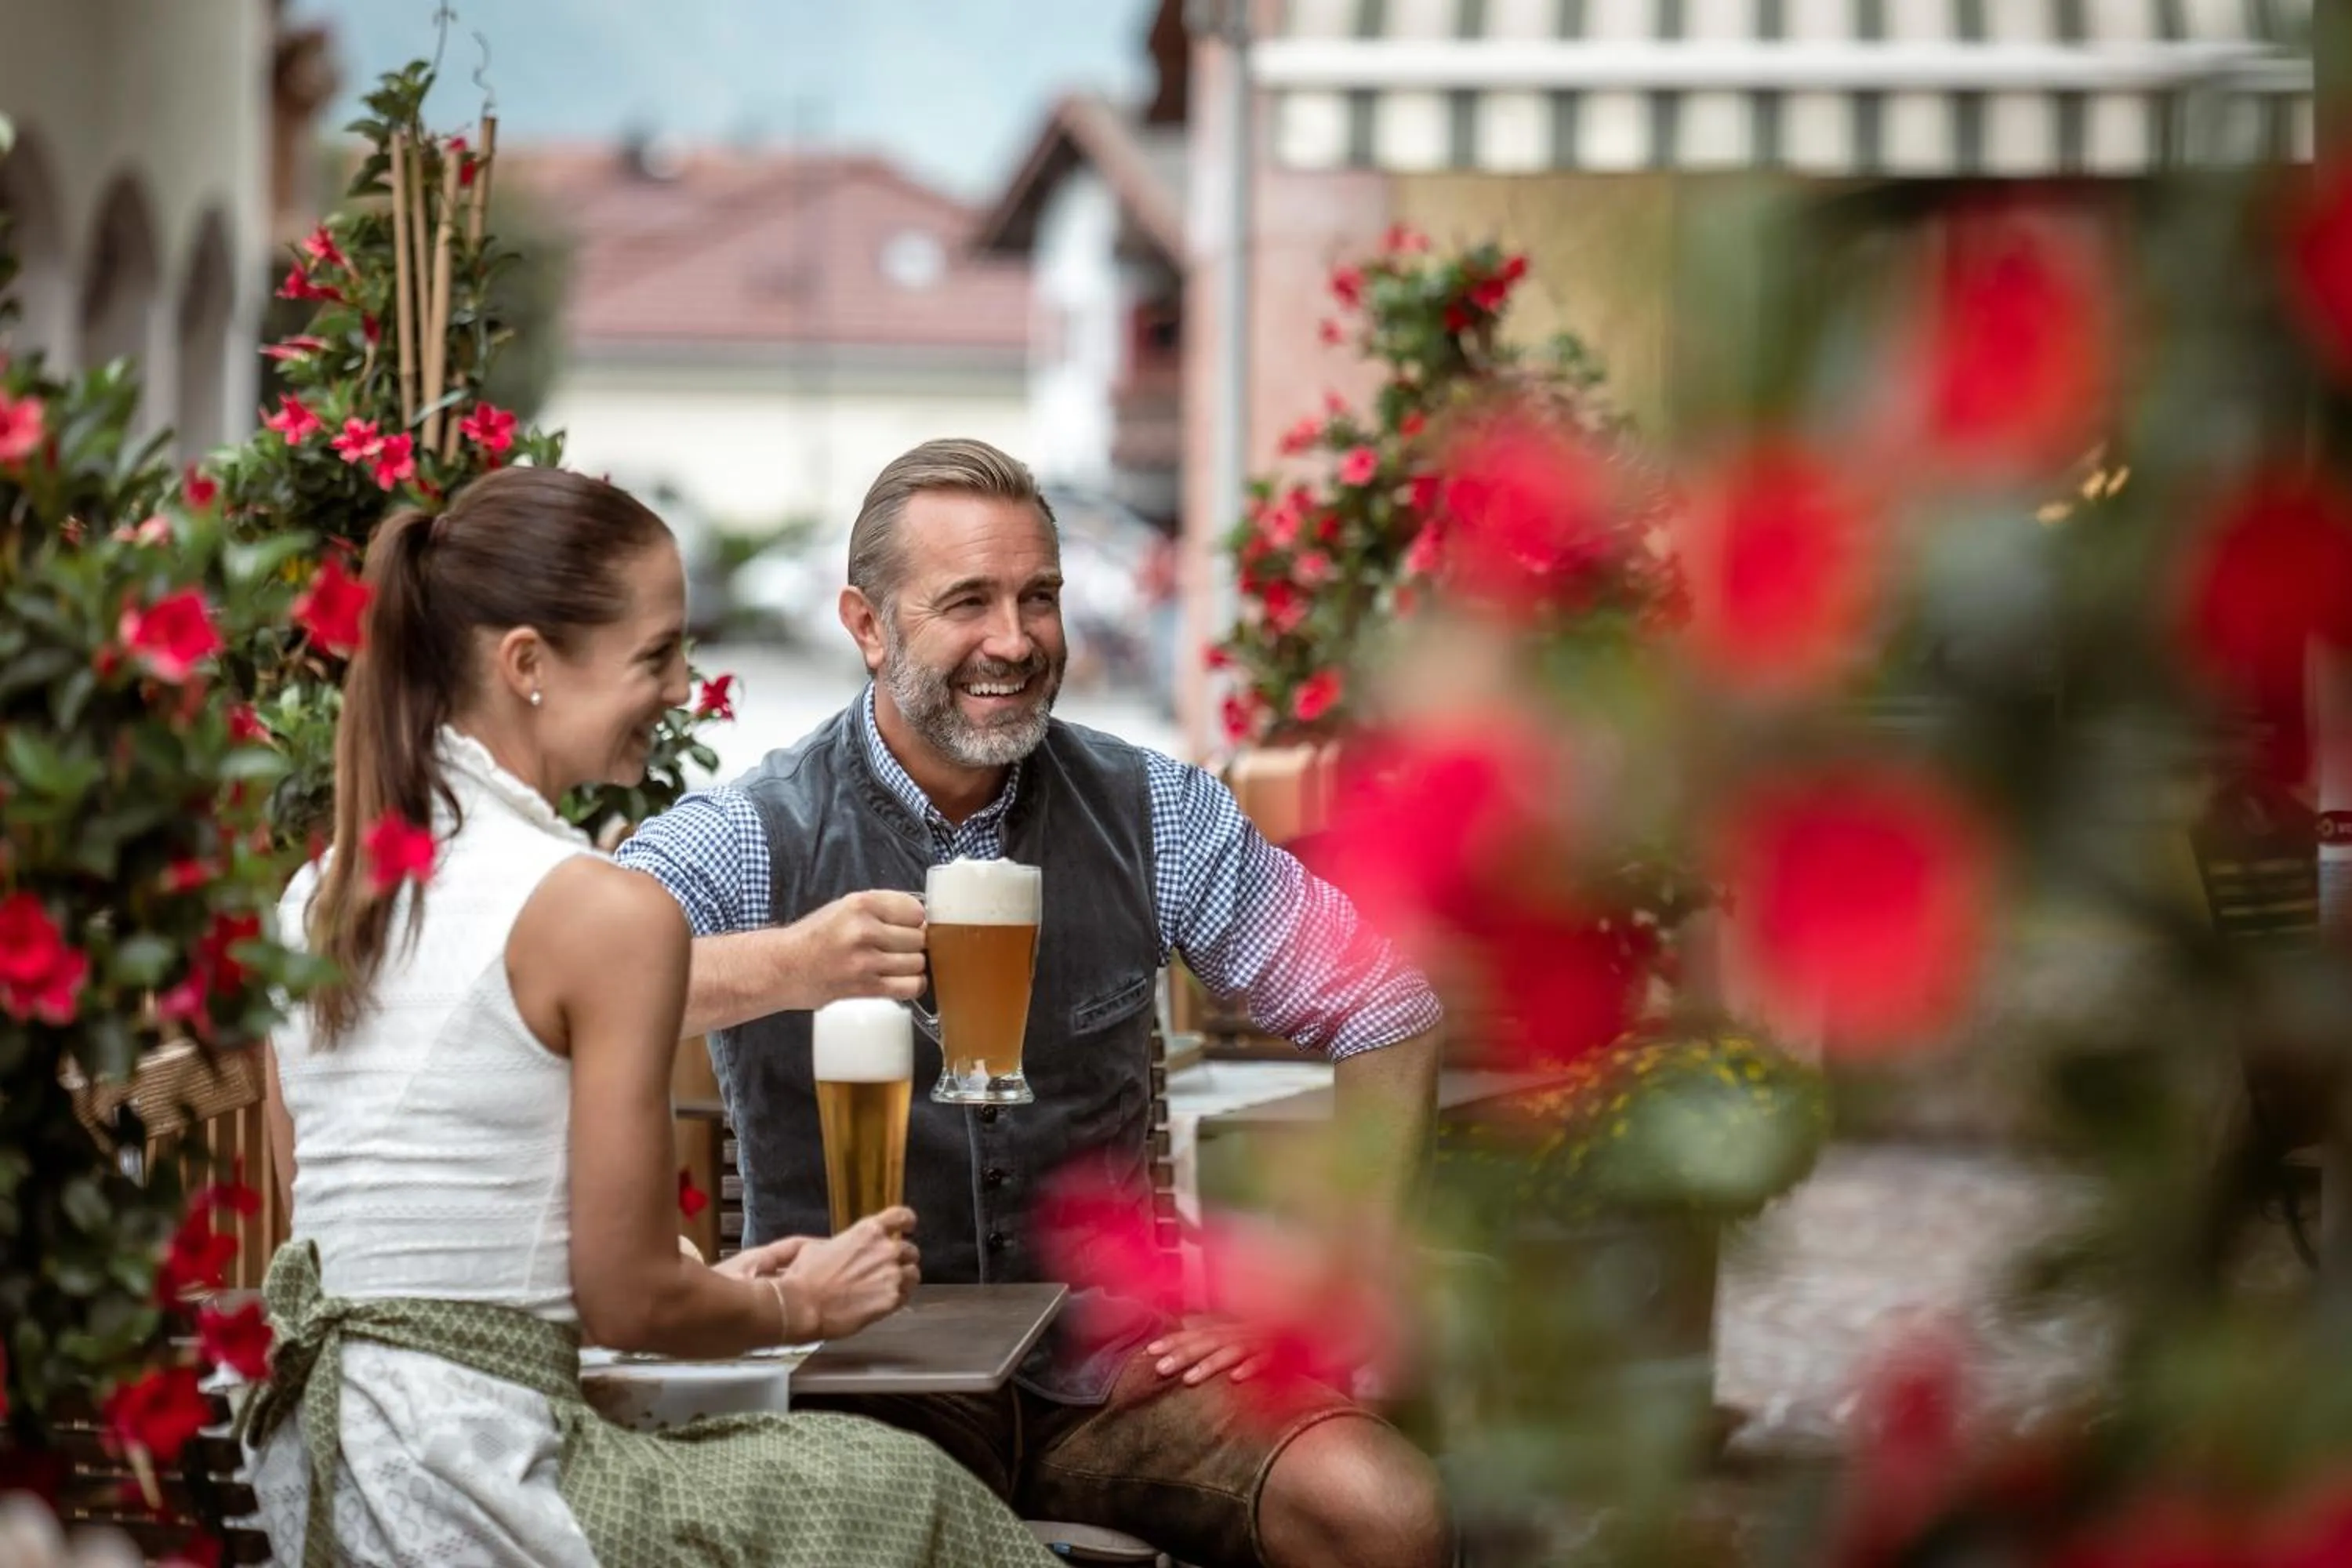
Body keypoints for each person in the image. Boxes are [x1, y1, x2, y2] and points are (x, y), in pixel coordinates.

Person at [616, 438, 1453, 1568]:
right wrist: (791, 966)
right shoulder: (754, 836)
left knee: (1380, 1511)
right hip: (858, 1386)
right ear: (867, 625)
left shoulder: (1152, 811)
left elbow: (1387, 1003)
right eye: (968, 601)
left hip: (1118, 1380)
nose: (1014, 641)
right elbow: (557, 992)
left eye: (1039, 598)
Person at [250, 467, 1053, 1567]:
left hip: (325, 1471)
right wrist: (797, 1307)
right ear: (526, 664)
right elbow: (627, 1300)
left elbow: (379, 1249)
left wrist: (712, 1287)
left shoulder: (321, 894)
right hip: (487, 1488)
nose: (683, 687)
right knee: (902, 1488)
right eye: (656, 655)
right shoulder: (593, 906)